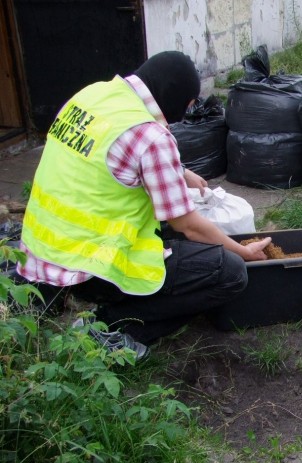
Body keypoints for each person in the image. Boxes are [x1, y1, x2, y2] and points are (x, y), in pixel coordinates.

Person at [17, 50, 271, 359]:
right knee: (228, 272)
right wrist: (242, 251)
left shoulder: (92, 95)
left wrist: (180, 172)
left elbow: (107, 155)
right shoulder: (150, 136)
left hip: (43, 252)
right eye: (188, 104)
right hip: (93, 269)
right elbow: (188, 226)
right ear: (174, 96)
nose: (187, 110)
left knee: (170, 229)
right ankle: (109, 330)